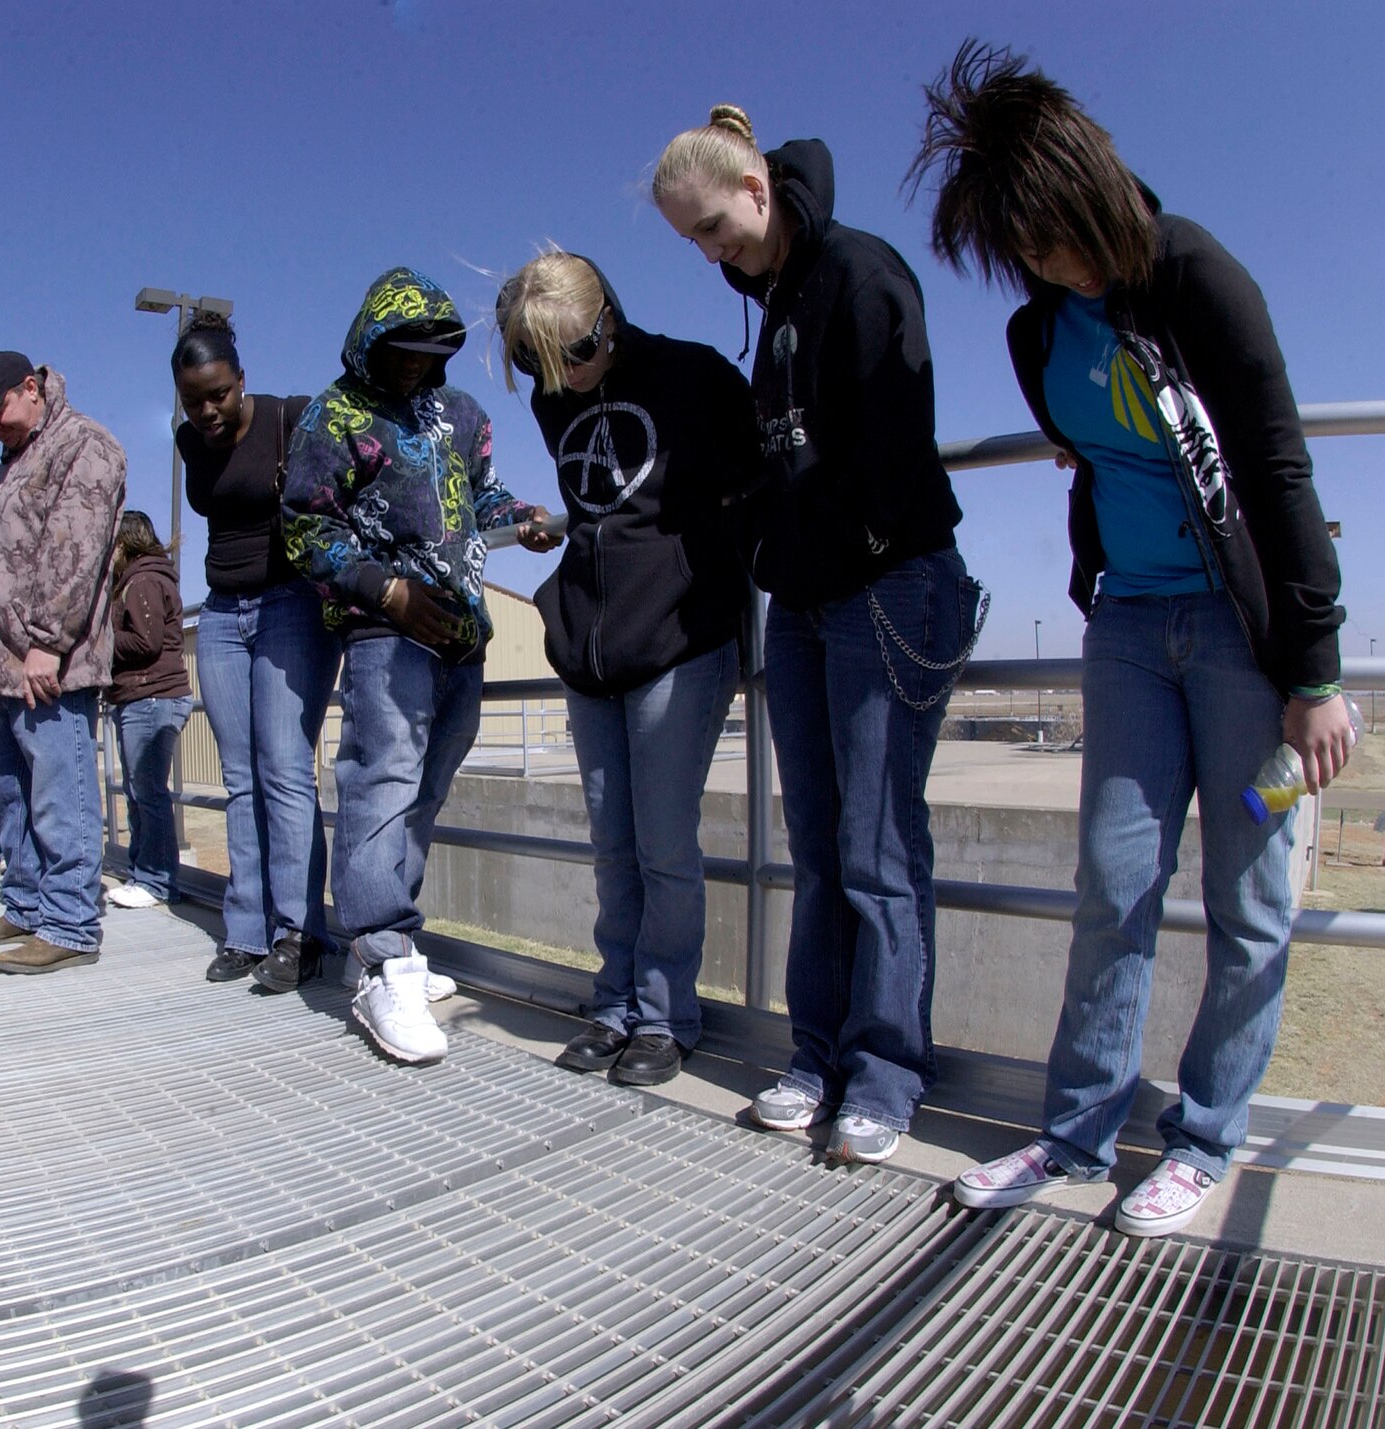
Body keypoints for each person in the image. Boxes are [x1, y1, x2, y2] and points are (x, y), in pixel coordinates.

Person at [913, 43, 1350, 1237]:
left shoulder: (1198, 274)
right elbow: (1090, 456)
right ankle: (1072, 1134)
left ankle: (1205, 1139)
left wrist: (1312, 671)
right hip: (1125, 629)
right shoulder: (1035, 333)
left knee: (1249, 899)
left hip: (1241, 641)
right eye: (1020, 255)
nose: (1039, 267)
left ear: (1087, 192)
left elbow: (1273, 466)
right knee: (1112, 885)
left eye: (1046, 239)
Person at [652, 105, 981, 1163]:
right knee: (814, 842)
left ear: (756, 190)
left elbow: (891, 445)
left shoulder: (859, 275)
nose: (709, 255)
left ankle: (885, 1070)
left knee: (878, 845)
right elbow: (777, 459)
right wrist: (769, 551)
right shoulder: (779, 290)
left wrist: (840, 546)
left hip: (885, 588)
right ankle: (816, 1052)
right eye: (690, 242)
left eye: (711, 228)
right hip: (798, 603)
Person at [495, 249, 759, 1088]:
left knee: (663, 845)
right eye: (539, 364)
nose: (563, 378)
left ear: (608, 315)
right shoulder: (552, 397)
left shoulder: (696, 374)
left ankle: (668, 1014)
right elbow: (595, 506)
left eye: (575, 353)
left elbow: (754, 484)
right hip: (591, 649)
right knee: (613, 847)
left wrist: (708, 583)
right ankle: (614, 1004)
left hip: (678, 642)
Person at [283, 266, 559, 1063]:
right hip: (384, 633)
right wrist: (389, 592)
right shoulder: (332, 414)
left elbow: (484, 496)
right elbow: (306, 527)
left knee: (425, 791)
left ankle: (397, 939)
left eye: (429, 354)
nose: (413, 366)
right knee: (383, 780)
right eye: (400, 351)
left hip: (460, 636)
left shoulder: (462, 415)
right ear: (371, 341)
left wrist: (525, 519)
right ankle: (379, 954)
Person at [171, 314, 342, 984]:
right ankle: (245, 930)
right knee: (238, 776)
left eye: (218, 394)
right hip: (219, 613)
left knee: (285, 771)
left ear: (241, 381)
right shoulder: (191, 441)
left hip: (290, 605)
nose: (207, 410)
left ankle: (300, 933)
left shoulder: (289, 418)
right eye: (193, 400)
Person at [0, 351, 126, 973]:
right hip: (4, 666)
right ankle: (27, 902)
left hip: (49, 662)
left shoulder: (84, 445)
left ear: (29, 388)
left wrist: (48, 642)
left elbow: (75, 552)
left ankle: (71, 923)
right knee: (2, 785)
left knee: (63, 793)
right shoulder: (14, 459)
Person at [105, 512, 194, 909]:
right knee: (140, 790)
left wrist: (102, 641)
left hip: (151, 697)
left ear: (124, 543)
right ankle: (144, 873)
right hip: (142, 697)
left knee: (148, 791)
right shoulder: (147, 579)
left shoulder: (140, 581)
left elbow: (145, 642)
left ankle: (157, 880)